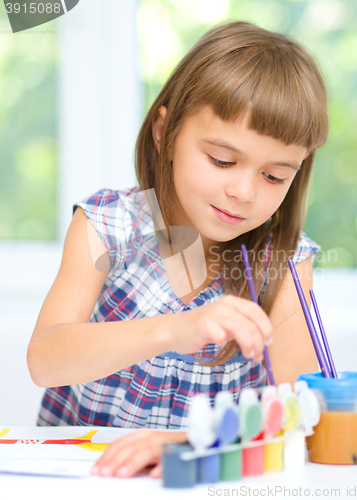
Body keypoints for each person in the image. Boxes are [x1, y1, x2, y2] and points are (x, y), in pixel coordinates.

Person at [27, 21, 328, 478]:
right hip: (86, 476)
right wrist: (175, 329)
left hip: (205, 477)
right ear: (165, 133)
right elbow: (46, 360)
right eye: (223, 160)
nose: (244, 191)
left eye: (274, 176)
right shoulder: (107, 225)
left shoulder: (281, 262)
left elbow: (303, 413)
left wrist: (189, 442)